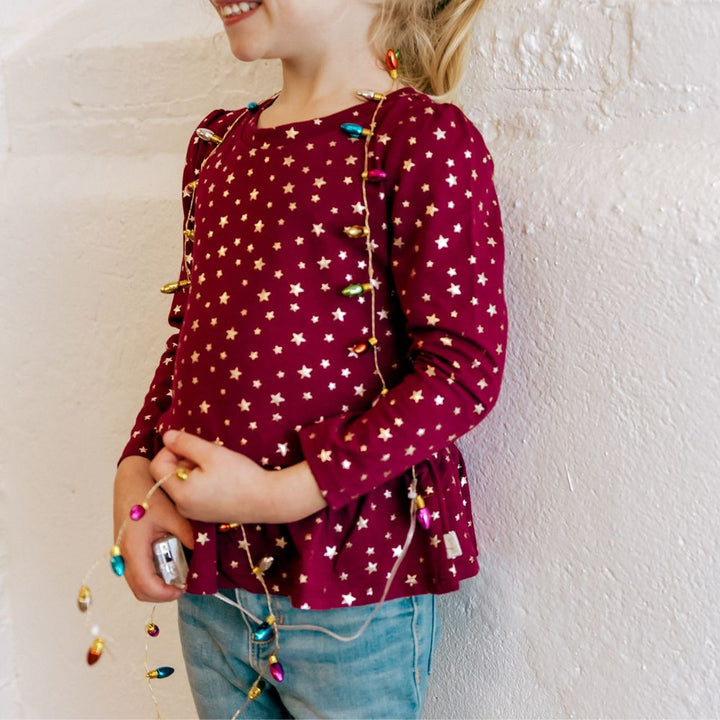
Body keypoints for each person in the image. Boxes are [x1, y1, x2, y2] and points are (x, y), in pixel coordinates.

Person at [113, 0, 507, 717]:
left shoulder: (417, 140)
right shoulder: (217, 145)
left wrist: (281, 493)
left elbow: (461, 372)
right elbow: (188, 339)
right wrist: (135, 470)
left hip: (351, 588)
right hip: (213, 583)